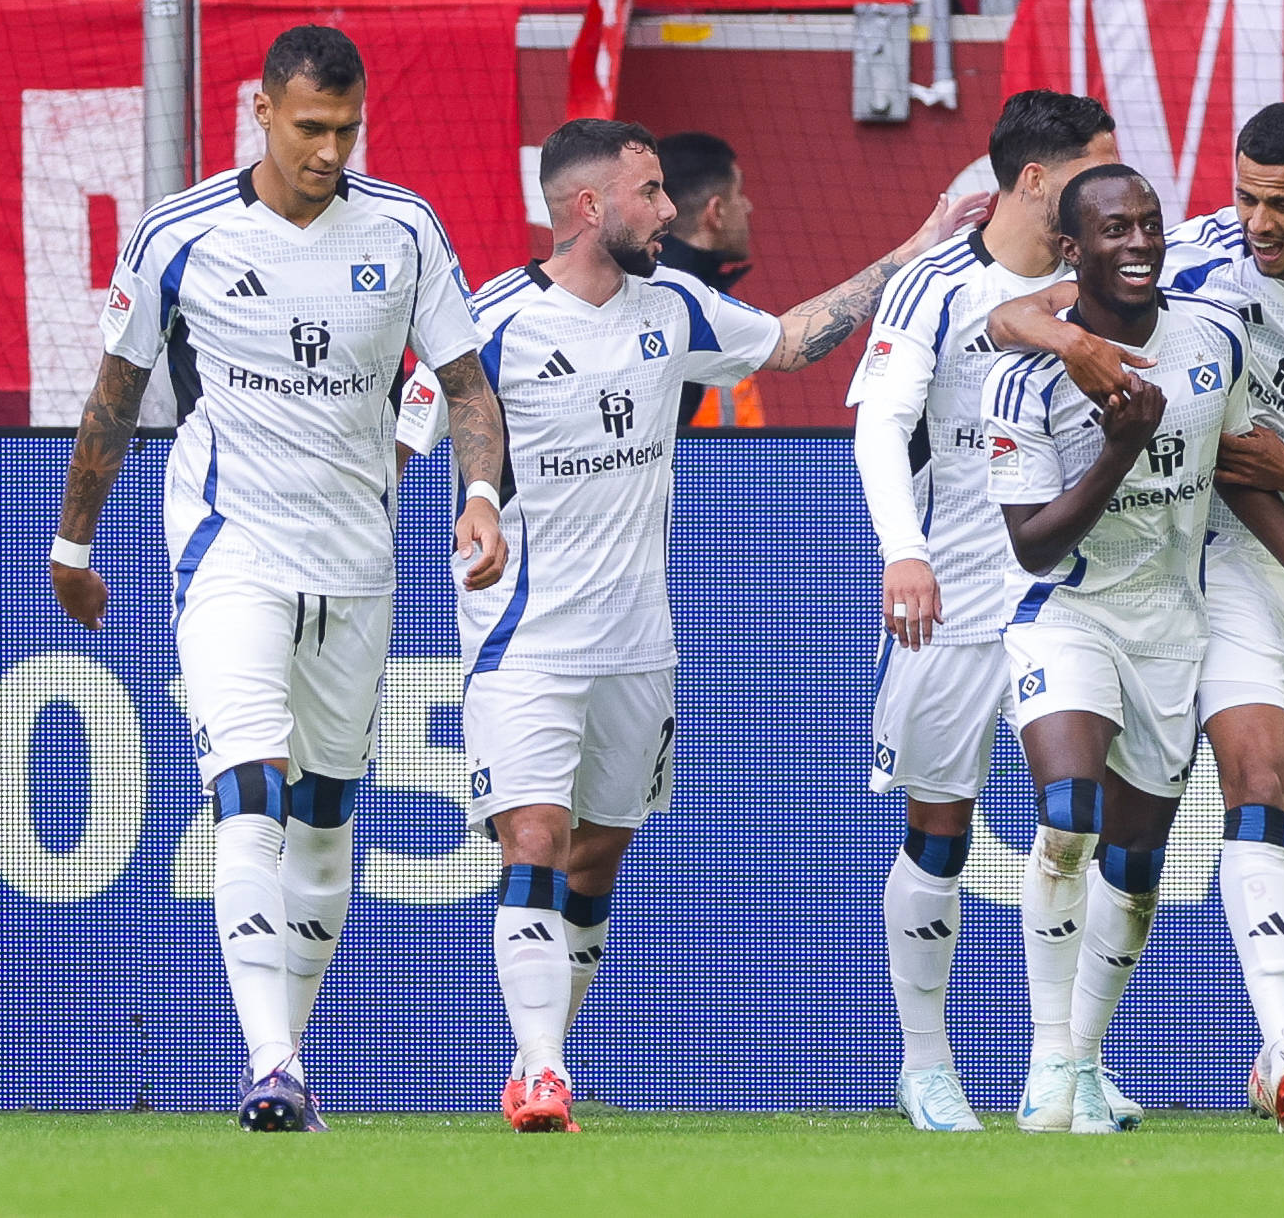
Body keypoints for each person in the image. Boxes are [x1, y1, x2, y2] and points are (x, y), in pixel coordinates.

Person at [406, 118, 988, 1134]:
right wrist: (480, 496)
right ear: (591, 206)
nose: (671, 211)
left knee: (595, 859)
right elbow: (431, 421)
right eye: (651, 194)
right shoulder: (491, 318)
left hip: (638, 645)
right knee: (535, 837)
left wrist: (920, 245)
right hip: (522, 641)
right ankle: (540, 1070)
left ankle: (548, 1048)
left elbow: (797, 337)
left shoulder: (674, 305)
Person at [49, 26, 508, 1131]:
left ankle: (287, 1056)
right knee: (249, 789)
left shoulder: (401, 229)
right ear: (259, 109)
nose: (330, 149)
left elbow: (467, 387)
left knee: (327, 815)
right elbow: (116, 396)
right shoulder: (182, 233)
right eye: (311, 127)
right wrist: (73, 545)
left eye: (348, 129)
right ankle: (271, 1063)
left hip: (358, 557)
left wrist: (481, 495)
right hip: (230, 546)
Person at [992, 103, 1284, 1132]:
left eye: (1279, 204)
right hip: (1220, 550)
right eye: (1244, 194)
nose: (1254, 220)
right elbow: (1015, 316)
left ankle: (1277, 1060)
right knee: (1254, 787)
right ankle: (1245, 1049)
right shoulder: (1184, 249)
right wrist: (1067, 342)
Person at [847, 90, 1124, 1132]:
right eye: (1097, 171)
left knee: (1080, 822)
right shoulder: (934, 285)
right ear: (1040, 180)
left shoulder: (1104, 278)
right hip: (953, 591)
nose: (1117, 193)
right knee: (940, 828)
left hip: (1073, 593)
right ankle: (927, 1067)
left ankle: (1066, 1062)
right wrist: (904, 554)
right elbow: (882, 425)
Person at [655, 131, 764, 426]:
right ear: (715, 212)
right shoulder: (689, 308)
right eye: (739, 193)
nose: (747, 206)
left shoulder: (655, 294)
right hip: (696, 471)